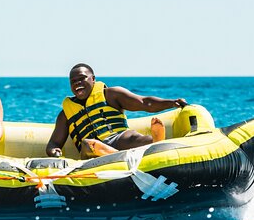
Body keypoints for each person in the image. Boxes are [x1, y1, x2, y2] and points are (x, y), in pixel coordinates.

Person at [46, 63, 188, 158]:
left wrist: (172, 103)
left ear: (93, 79)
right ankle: (117, 154)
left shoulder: (112, 94)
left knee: (132, 136)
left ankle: (155, 142)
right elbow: (54, 143)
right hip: (92, 152)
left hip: (118, 138)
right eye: (73, 81)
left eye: (82, 78)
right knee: (87, 144)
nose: (77, 83)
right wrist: (54, 151)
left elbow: (145, 103)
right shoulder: (65, 115)